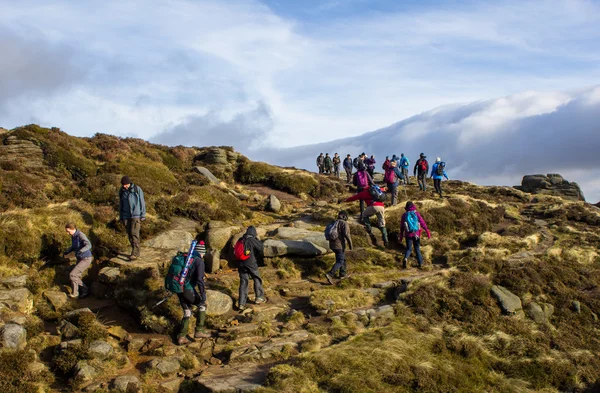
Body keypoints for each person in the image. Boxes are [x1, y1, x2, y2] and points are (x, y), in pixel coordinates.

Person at [172, 241, 210, 345]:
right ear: (201, 252)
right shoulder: (199, 261)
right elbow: (199, 279)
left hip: (178, 288)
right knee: (202, 305)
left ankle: (181, 337)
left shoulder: (185, 257)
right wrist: (203, 294)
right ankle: (199, 330)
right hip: (188, 289)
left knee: (187, 311)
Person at [237, 226, 266, 311]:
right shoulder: (251, 239)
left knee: (243, 282)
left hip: (241, 264)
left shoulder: (240, 239)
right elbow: (261, 248)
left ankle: (241, 303)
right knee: (256, 278)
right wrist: (257, 240)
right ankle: (259, 297)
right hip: (251, 263)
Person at [119, 176, 146, 261]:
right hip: (126, 216)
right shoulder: (122, 191)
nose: (124, 186)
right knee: (130, 234)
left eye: (126, 184)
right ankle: (135, 251)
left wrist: (143, 214)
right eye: (123, 185)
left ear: (129, 183)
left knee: (134, 233)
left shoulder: (137, 189)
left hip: (136, 215)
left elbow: (142, 202)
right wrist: (121, 216)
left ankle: (135, 253)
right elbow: (121, 204)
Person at [63, 223, 92, 299]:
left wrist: (81, 251)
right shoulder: (73, 236)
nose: (67, 233)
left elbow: (89, 245)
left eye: (68, 231)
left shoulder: (80, 235)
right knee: (76, 276)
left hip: (86, 258)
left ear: (72, 229)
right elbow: (74, 246)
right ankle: (84, 290)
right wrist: (67, 251)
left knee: (72, 275)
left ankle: (75, 294)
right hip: (80, 258)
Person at [399, 201, 431, 269]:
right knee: (417, 248)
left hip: (408, 234)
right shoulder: (416, 214)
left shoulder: (404, 215)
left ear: (406, 207)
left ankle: (405, 258)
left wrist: (401, 236)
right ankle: (420, 263)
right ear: (413, 206)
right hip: (416, 234)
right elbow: (422, 223)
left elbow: (402, 226)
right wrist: (427, 231)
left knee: (409, 249)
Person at [324, 211, 353, 285]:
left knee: (342, 259)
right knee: (340, 261)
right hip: (339, 245)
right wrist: (350, 244)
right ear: (344, 216)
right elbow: (347, 234)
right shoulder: (343, 223)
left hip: (332, 245)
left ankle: (342, 274)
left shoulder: (334, 222)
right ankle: (330, 274)